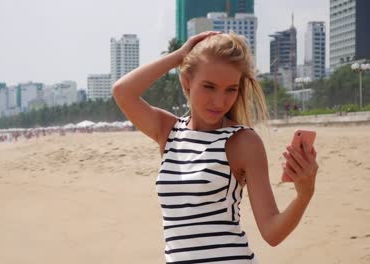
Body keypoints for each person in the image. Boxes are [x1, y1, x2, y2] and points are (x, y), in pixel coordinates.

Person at [112, 31, 318, 263]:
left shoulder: (243, 142)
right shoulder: (169, 132)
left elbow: (271, 232)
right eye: (209, 87)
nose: (220, 101)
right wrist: (180, 55)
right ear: (186, 82)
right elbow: (122, 92)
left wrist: (304, 195)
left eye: (230, 89)